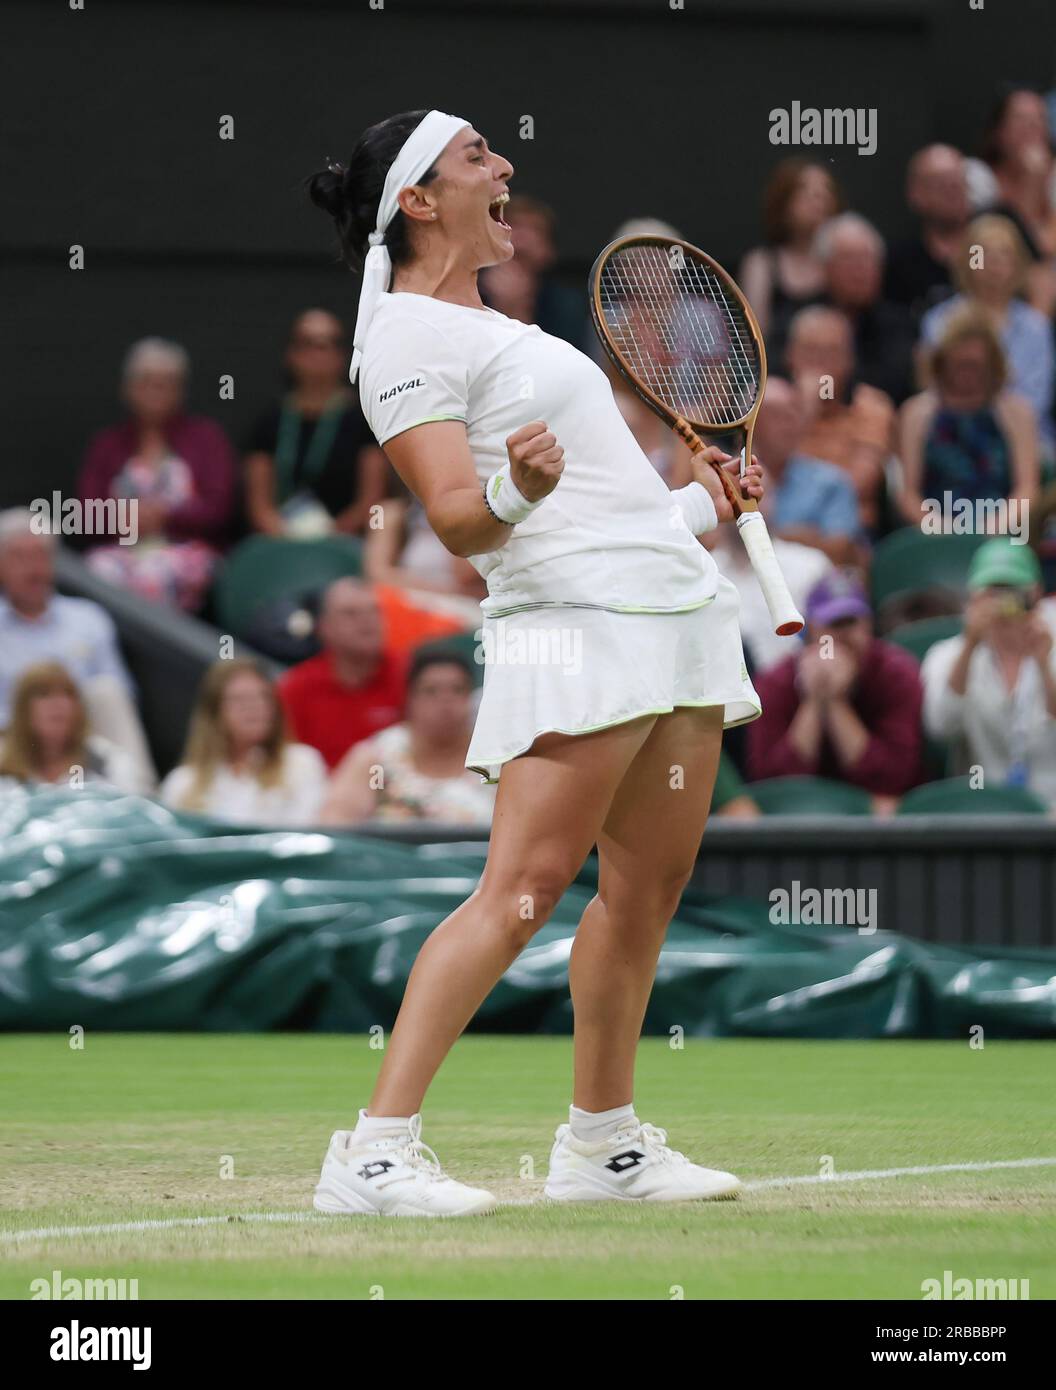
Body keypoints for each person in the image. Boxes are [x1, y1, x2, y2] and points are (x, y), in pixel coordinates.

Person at [306, 109, 764, 1215]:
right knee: (520, 892)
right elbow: (466, 522)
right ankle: (371, 1152)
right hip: (573, 630)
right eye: (476, 157)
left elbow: (603, 515)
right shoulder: (405, 337)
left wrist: (700, 507)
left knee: (645, 892)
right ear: (416, 201)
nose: (504, 164)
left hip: (669, 619)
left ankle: (602, 1144)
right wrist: (520, 487)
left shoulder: (504, 327)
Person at [77, 338, 237, 611]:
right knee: (97, 571)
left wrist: (165, 516)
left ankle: (157, 651)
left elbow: (220, 508)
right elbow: (85, 512)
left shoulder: (206, 438)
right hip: (123, 550)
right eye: (147, 381)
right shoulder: (108, 444)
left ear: (180, 390)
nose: (155, 391)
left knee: (155, 575)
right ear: (128, 388)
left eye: (165, 383)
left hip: (186, 549)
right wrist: (126, 519)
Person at [0, 510, 156, 791]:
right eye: (20, 557)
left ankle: (143, 804)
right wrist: (33, 715)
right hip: (13, 742)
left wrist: (61, 709)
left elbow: (121, 693)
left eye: (40, 556)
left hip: (82, 734)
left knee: (107, 691)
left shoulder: (88, 618)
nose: (33, 569)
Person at [747, 571, 923, 807]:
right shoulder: (777, 681)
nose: (843, 636)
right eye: (833, 624)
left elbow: (893, 779)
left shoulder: (896, 673)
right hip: (800, 815)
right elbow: (775, 785)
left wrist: (835, 702)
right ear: (810, 633)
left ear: (869, 626)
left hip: (879, 815)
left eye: (851, 622)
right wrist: (813, 700)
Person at [921, 539, 1056, 805]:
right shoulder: (947, 655)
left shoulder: (1051, 639)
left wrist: (1043, 664)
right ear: (974, 597)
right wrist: (970, 645)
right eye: (992, 592)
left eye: (1012, 590)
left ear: (1035, 594)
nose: (1002, 603)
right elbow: (940, 726)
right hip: (983, 809)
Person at [243, 309, 389, 538]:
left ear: (343, 353)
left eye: (329, 343)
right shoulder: (269, 421)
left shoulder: (365, 419)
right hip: (279, 539)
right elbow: (258, 504)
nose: (319, 353)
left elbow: (372, 500)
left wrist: (329, 534)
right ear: (291, 353)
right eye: (308, 343)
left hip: (346, 542)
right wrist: (286, 533)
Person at [920, 215, 1055, 451]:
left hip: (1026, 443)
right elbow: (933, 388)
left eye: (1004, 254)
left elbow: (1036, 400)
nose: (993, 263)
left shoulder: (1037, 327)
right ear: (967, 261)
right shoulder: (939, 321)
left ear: (1019, 265)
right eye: (982, 254)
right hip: (953, 438)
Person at [897, 306, 1039, 526]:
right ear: (942, 363)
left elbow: (1027, 489)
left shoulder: (1018, 411)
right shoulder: (916, 412)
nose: (967, 374)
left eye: (975, 366)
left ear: (992, 365)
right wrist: (942, 529)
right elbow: (908, 495)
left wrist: (993, 527)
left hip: (1001, 527)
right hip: (934, 529)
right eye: (960, 365)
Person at [320, 649, 494, 825]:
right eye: (431, 691)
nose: (445, 701)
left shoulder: (494, 763)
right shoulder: (375, 760)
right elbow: (335, 825)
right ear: (410, 700)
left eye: (457, 690)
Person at [159, 658, 327, 826]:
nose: (255, 706)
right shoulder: (183, 782)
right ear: (214, 713)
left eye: (263, 696)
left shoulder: (301, 763)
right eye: (240, 699)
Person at [276, 578, 407, 769]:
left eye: (374, 611)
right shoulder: (296, 688)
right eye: (350, 613)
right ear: (324, 627)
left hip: (398, 791)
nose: (367, 620)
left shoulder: (410, 675)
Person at [785, 307, 895, 531]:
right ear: (790, 356)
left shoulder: (872, 406)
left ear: (849, 360)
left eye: (831, 353)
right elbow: (759, 481)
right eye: (811, 352)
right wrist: (805, 412)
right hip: (780, 528)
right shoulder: (768, 405)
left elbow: (860, 484)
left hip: (848, 533)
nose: (820, 364)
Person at [751, 376, 861, 566]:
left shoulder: (832, 482)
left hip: (811, 587)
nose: (788, 426)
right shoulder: (727, 480)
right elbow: (712, 545)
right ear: (751, 424)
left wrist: (765, 538)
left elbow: (840, 551)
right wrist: (800, 538)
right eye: (775, 416)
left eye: (792, 415)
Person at [813, 213, 916, 404]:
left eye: (867, 259)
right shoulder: (803, 321)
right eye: (849, 259)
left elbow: (898, 383)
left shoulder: (899, 324)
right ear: (824, 268)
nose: (860, 269)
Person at [739, 158, 842, 338]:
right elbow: (754, 342)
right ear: (783, 201)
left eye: (826, 191)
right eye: (804, 190)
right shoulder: (761, 264)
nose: (818, 199)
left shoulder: (841, 260)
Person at [0, 662, 142, 793]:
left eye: (67, 694)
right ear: (22, 710)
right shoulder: (5, 770)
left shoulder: (107, 763)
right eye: (44, 694)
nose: (58, 704)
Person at [479, 195, 588, 349]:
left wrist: (516, 312)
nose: (523, 237)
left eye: (536, 229)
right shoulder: (464, 293)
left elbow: (560, 365)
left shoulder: (567, 305)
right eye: (513, 225)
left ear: (550, 252)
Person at [884, 145, 971, 324]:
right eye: (940, 181)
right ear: (915, 193)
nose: (952, 188)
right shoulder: (899, 261)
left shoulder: (981, 249)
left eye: (958, 179)